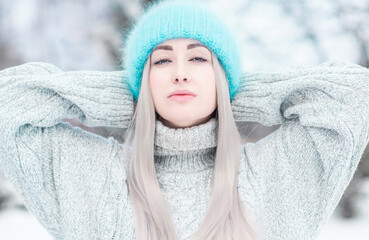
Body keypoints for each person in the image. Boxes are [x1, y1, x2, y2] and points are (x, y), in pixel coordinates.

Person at [0, 0, 369, 239]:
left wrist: (231, 92)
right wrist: (133, 95)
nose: (179, 73)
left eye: (198, 59)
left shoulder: (280, 173)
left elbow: (352, 94)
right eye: (161, 61)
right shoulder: (86, 174)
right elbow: (10, 103)